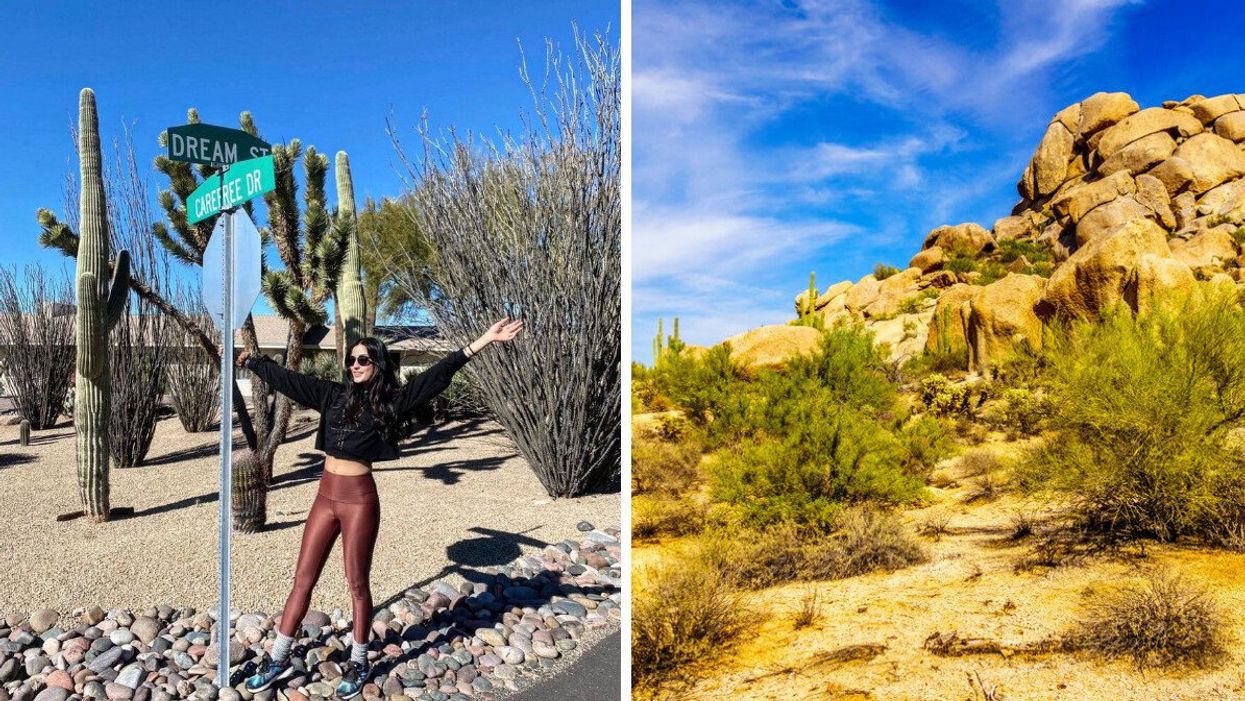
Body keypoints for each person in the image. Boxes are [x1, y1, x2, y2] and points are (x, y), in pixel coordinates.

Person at [239, 318, 524, 698]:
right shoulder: (332, 395)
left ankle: (359, 659)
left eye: (363, 360)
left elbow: (437, 376)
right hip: (324, 498)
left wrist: (484, 340)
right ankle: (278, 656)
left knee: (357, 583)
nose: (355, 366)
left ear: (377, 365)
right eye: (351, 360)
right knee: (303, 579)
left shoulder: (391, 403)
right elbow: (288, 379)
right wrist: (251, 361)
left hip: (358, 501)